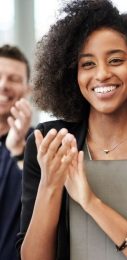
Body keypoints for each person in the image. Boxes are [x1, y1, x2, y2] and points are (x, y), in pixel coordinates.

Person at [16, 1, 127, 259]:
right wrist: (50, 184)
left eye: (115, 60)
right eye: (87, 64)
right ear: (73, 74)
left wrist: (91, 202)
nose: (102, 74)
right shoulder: (50, 143)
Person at [0, 44, 32, 260]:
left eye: (14, 78)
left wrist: (19, 149)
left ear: (27, 90)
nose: (3, 85)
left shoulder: (39, 144)